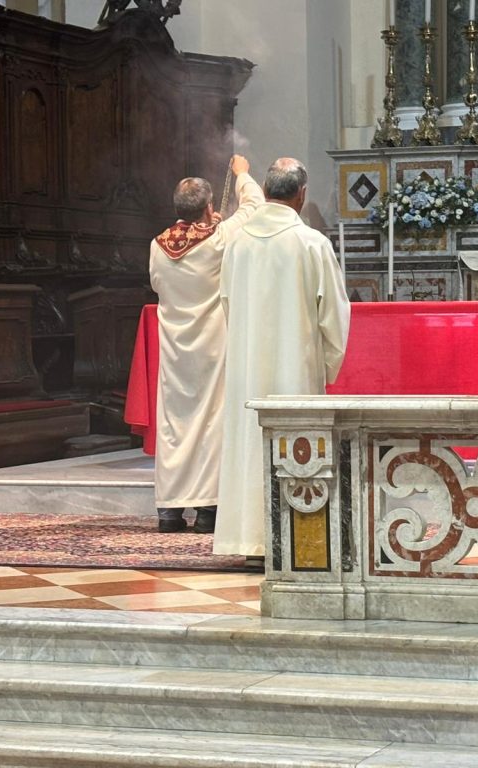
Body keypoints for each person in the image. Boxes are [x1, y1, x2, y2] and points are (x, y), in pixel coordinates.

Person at [213, 158, 351, 566]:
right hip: (296, 368)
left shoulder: (237, 243)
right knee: (297, 444)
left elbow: (226, 304)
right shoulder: (311, 244)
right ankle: (297, 539)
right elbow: (334, 316)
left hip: (247, 369)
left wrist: (246, 346)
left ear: (266, 190)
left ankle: (249, 540)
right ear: (302, 195)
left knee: (249, 442)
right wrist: (326, 366)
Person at [149, 154, 264, 533]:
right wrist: (242, 174)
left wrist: (208, 224)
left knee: (174, 424)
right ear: (208, 206)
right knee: (212, 422)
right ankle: (206, 512)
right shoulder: (219, 238)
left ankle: (169, 511)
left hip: (175, 348)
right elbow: (254, 207)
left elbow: (158, 285)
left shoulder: (157, 245)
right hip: (212, 346)